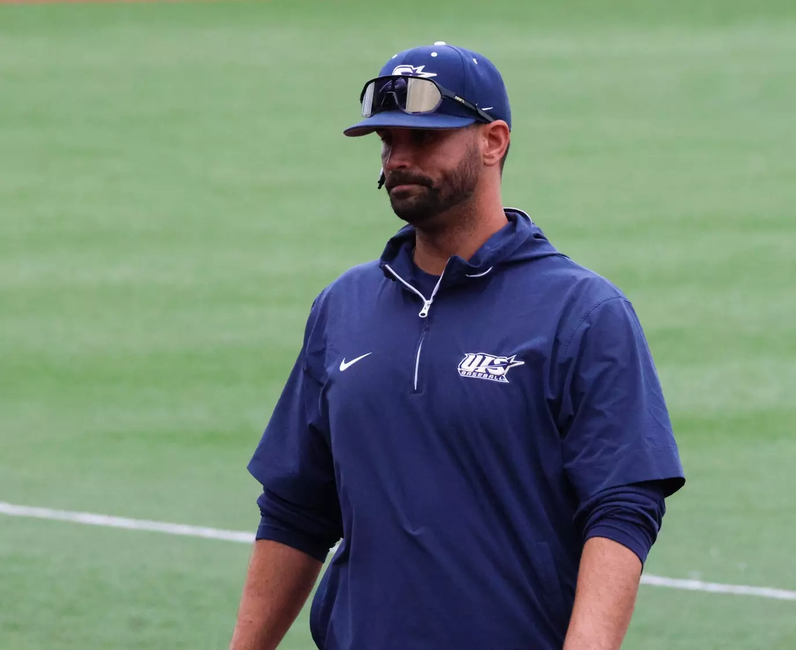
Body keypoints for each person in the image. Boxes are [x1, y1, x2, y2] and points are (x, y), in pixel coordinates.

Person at [230, 42, 685, 650]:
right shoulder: (344, 307)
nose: (399, 159)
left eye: (424, 140)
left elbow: (621, 506)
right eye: (389, 142)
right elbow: (296, 509)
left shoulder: (583, 313)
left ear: (493, 140)